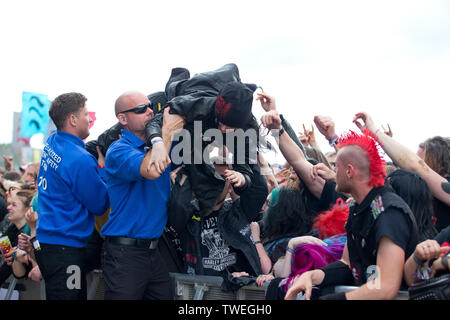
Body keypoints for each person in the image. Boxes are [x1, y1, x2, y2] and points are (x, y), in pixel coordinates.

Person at [281, 129, 418, 300]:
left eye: (336, 166)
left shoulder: (389, 212)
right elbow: (347, 264)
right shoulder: (358, 207)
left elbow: (386, 287)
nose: (333, 171)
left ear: (349, 171)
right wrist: (311, 276)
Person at [100, 91, 184, 300]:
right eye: (140, 109)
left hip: (153, 251)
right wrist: (166, 132)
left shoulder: (157, 144)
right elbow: (152, 168)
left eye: (150, 107)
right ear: (123, 119)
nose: (149, 112)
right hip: (125, 253)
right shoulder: (118, 150)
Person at [35, 92, 110, 300]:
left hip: (48, 243)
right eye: (86, 114)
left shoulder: (52, 142)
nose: (90, 119)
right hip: (66, 251)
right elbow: (100, 204)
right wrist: (102, 168)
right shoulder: (80, 159)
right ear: (73, 119)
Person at [352, 112, 450, 231]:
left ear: (438, 162)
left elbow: (414, 165)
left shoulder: (446, 191)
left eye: (423, 161)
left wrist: (374, 131)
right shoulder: (410, 192)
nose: (408, 172)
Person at [0, 190, 33, 286]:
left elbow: (10, 269)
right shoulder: (13, 228)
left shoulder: (27, 233)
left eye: (14, 205)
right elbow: (5, 251)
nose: (8, 208)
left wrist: (13, 256)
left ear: (27, 210)